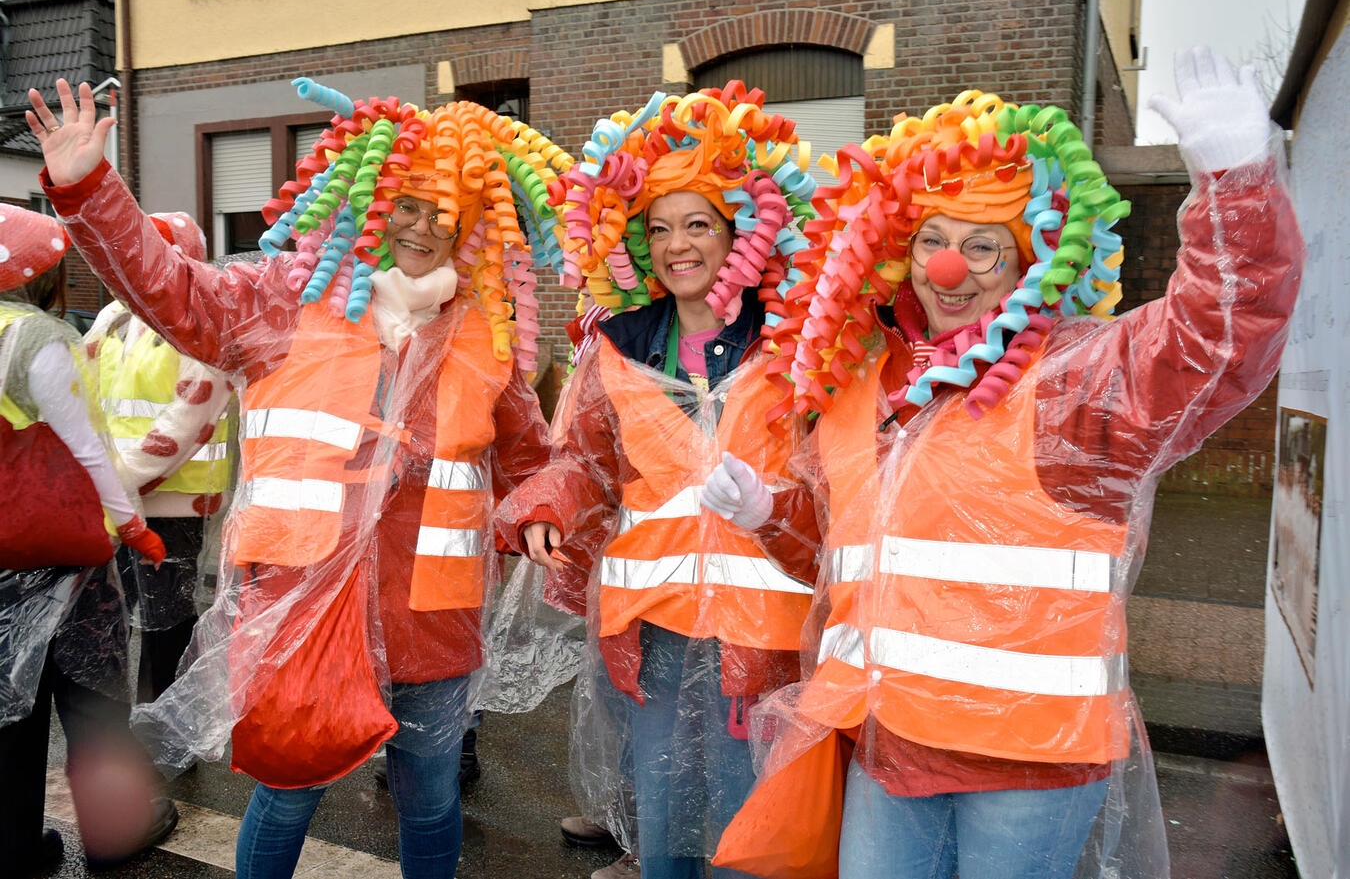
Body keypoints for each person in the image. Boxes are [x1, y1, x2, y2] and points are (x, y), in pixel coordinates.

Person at [711, 47, 1305, 879]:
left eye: (982, 247)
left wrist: (1235, 188)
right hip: (888, 742)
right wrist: (766, 512)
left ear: (1030, 261)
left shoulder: (1075, 381)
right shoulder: (864, 388)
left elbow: (1215, 340)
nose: (948, 268)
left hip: (1029, 760)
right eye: (933, 240)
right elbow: (841, 560)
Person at [28, 77, 570, 879]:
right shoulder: (285, 300)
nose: (423, 226)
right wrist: (89, 190)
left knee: (429, 799)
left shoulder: (480, 335)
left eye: (444, 212)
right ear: (369, 202)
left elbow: (529, 457)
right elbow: (172, 289)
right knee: (288, 791)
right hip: (303, 605)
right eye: (406, 204)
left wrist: (538, 509)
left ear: (471, 225)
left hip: (433, 616)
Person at [495, 82, 820, 879]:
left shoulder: (797, 345)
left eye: (699, 223)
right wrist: (545, 504)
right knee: (665, 829)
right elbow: (586, 461)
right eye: (661, 228)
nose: (679, 245)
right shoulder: (621, 348)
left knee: (752, 838)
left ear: (741, 231)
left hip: (766, 636)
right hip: (657, 631)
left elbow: (833, 478)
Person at [0, 203, 178, 876]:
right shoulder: (38, 339)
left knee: (12, 705)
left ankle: (13, 848)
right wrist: (132, 525)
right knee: (92, 699)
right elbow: (90, 451)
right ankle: (109, 837)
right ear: (44, 274)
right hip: (64, 550)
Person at [84, 211, 235, 705]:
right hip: (116, 495)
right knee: (117, 615)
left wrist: (118, 477)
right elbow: (81, 392)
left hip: (176, 500)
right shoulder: (113, 315)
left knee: (163, 621)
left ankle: (162, 724)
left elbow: (190, 417)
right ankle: (136, 721)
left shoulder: (200, 319)